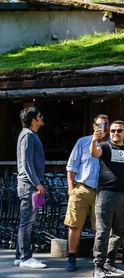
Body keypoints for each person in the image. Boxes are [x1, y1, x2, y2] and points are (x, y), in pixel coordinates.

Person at [90, 120, 124, 278]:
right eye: (113, 131)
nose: (116, 133)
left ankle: (110, 263)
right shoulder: (105, 146)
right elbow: (94, 153)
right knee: (102, 231)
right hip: (106, 194)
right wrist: (94, 140)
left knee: (119, 231)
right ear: (110, 133)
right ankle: (98, 265)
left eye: (119, 131)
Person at [63, 114, 109, 272]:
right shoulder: (83, 142)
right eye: (99, 125)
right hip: (82, 187)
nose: (101, 128)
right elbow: (71, 166)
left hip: (102, 191)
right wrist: (71, 188)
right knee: (74, 224)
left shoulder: (110, 145)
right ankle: (71, 256)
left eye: (105, 125)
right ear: (93, 126)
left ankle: (98, 259)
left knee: (100, 227)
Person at [14, 107, 47, 269]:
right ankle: (26, 258)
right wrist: (37, 184)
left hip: (29, 184)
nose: (42, 118)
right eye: (40, 116)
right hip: (29, 185)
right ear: (33, 120)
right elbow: (26, 163)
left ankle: (19, 256)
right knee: (27, 222)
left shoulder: (29, 135)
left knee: (25, 221)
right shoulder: (28, 135)